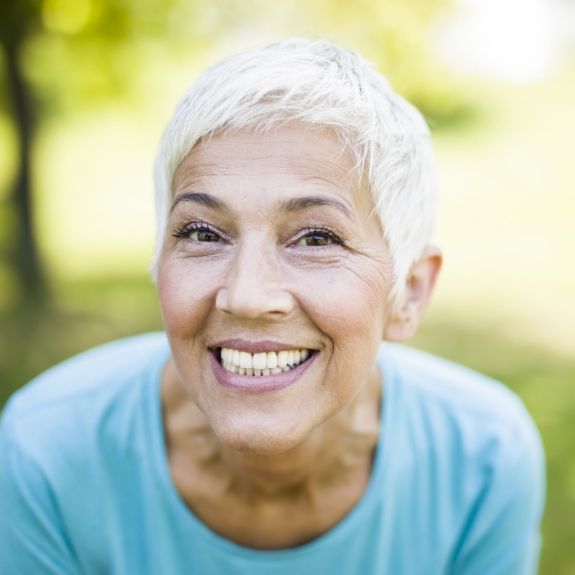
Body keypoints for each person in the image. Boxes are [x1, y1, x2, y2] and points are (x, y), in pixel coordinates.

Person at [0, 38, 544, 574]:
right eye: (203, 232)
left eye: (316, 239)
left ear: (411, 293)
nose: (247, 296)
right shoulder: (48, 451)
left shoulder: (482, 460)